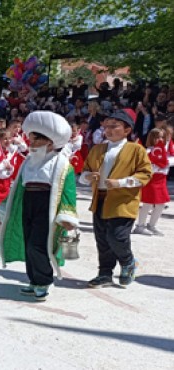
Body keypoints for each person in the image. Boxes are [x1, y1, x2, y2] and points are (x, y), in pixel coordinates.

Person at [0, 111, 79, 301]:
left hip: (46, 206)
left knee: (38, 245)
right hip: (28, 203)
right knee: (28, 243)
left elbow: (68, 191)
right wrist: (6, 206)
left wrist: (67, 216)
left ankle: (43, 280)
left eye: (36, 141)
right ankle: (33, 280)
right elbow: (18, 187)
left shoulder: (61, 164)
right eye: (31, 140)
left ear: (50, 143)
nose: (31, 144)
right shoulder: (28, 163)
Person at [80, 109, 152, 288]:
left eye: (114, 126)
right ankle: (104, 273)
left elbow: (145, 174)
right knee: (102, 238)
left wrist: (120, 183)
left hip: (123, 200)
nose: (109, 130)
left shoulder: (136, 150)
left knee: (117, 236)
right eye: (107, 126)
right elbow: (84, 172)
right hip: (101, 199)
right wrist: (88, 177)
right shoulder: (97, 149)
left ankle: (128, 261)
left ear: (127, 130)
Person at [133, 128, 170, 236]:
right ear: (152, 138)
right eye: (157, 137)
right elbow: (145, 166)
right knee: (148, 203)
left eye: (162, 137)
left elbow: (170, 161)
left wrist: (166, 162)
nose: (160, 139)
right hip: (151, 180)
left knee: (161, 204)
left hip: (162, 180)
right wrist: (157, 165)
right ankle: (140, 226)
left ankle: (152, 225)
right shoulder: (148, 151)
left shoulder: (165, 150)